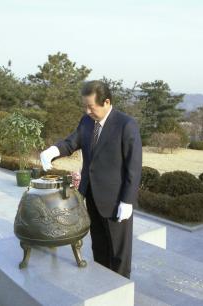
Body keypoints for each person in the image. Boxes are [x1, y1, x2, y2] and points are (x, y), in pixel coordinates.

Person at [39, 80, 142, 278]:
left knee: (119, 254)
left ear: (107, 102)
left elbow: (133, 167)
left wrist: (127, 201)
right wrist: (53, 150)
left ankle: (119, 292)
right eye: (84, 106)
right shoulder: (87, 121)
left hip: (116, 201)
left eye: (91, 106)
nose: (87, 111)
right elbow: (72, 142)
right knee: (99, 247)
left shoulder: (125, 124)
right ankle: (103, 285)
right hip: (92, 197)